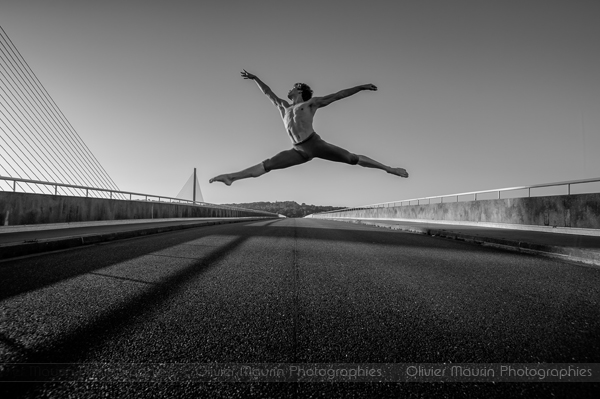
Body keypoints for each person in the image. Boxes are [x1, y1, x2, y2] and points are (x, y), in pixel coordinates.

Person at [209, 70, 409, 186]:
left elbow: (338, 95)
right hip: (298, 150)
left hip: (314, 143)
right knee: (266, 165)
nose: (288, 89)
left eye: (293, 87)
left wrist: (361, 87)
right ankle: (231, 177)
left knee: (351, 159)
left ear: (299, 90)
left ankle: (388, 169)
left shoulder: (311, 103)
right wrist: (255, 79)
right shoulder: (283, 107)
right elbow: (268, 92)